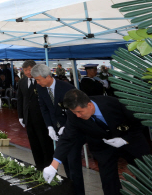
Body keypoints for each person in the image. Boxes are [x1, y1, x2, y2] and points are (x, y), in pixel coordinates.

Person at [42, 89, 151, 195]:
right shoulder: (74, 115)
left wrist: (125, 139)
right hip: (103, 147)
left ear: (90, 105)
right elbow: (67, 138)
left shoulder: (114, 103)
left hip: (130, 141)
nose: (78, 115)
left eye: (80, 112)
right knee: (108, 181)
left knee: (145, 173)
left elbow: (139, 122)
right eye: (74, 112)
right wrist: (53, 166)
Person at [32, 64, 85, 195]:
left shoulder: (67, 88)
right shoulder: (41, 87)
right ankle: (71, 190)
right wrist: (50, 126)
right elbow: (44, 108)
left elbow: (76, 111)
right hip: (58, 132)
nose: (37, 82)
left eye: (38, 79)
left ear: (47, 76)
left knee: (74, 166)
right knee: (65, 163)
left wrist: (66, 126)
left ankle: (79, 192)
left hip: (72, 132)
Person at [17, 60, 54, 170]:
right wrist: (20, 116)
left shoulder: (42, 81)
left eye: (30, 69)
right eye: (26, 70)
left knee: (45, 143)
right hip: (28, 118)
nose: (28, 72)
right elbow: (20, 99)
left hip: (42, 118)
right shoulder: (22, 82)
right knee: (34, 143)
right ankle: (39, 166)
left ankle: (49, 167)